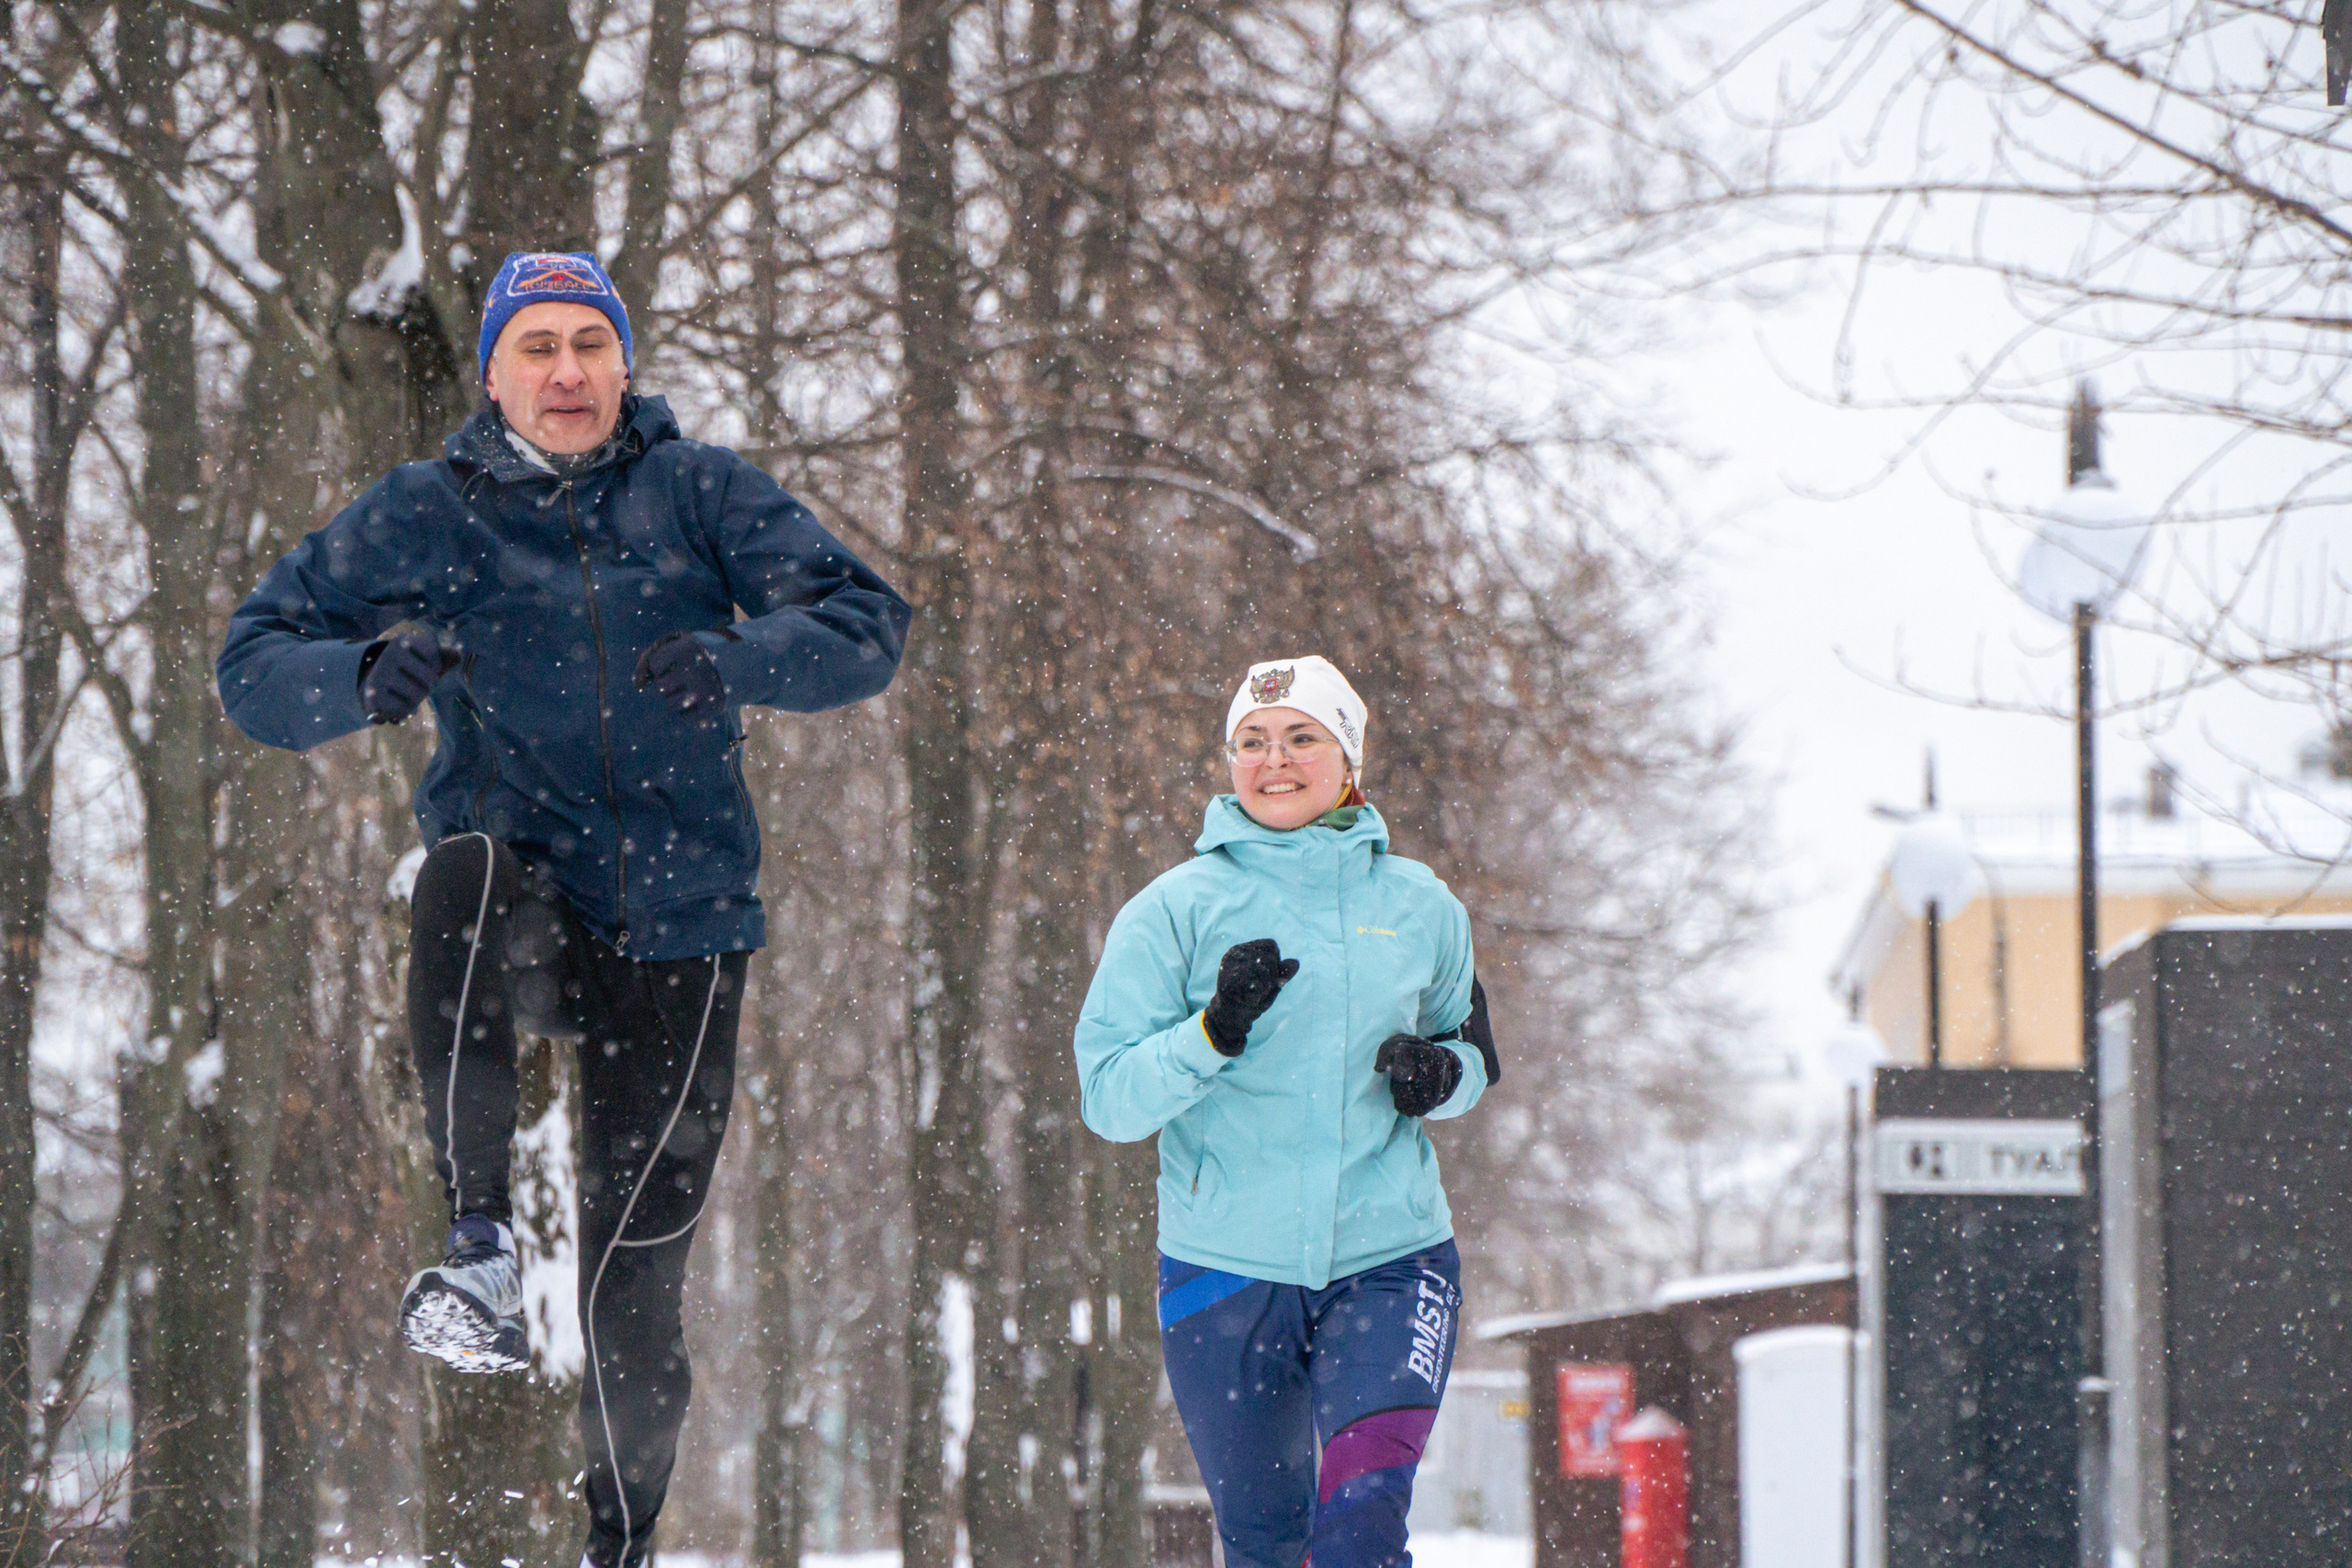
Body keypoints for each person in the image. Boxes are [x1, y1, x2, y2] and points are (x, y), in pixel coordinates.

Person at [216, 252, 910, 1568]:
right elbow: (251, 662)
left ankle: (621, 1542)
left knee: (629, 1278)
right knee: (459, 877)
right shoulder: (429, 511)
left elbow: (870, 622)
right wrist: (362, 671)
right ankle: (476, 1245)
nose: (568, 371)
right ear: (493, 372)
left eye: (590, 343)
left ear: (626, 365)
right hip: (524, 895)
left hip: (686, 916)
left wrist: (740, 655)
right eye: (537, 346)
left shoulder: (699, 492)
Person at [1072, 655, 1498, 1568]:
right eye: (1251, 742)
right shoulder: (1171, 913)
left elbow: (1475, 1059)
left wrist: (1439, 1076)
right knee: (1268, 1545)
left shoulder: (1423, 907)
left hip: (1393, 1262)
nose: (1274, 759)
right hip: (1223, 1276)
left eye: (1301, 737)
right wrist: (1213, 1030)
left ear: (1348, 757)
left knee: (1360, 1526)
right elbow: (1107, 1098)